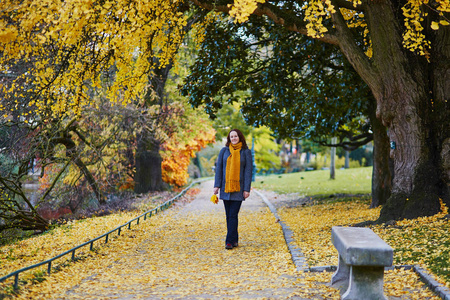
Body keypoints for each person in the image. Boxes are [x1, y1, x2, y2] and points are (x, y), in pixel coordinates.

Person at [213, 129, 252, 249]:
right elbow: (219, 169)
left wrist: (247, 189)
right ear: (229, 139)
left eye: (235, 136)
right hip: (225, 188)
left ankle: (229, 241)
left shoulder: (246, 152)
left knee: (233, 214)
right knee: (228, 215)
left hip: (238, 189)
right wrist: (216, 186)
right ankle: (234, 239)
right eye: (231, 137)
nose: (234, 138)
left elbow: (248, 171)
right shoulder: (224, 151)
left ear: (240, 137)